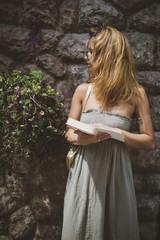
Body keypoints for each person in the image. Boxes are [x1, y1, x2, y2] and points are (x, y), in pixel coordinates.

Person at [61, 26, 155, 240]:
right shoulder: (83, 91)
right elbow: (69, 134)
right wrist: (82, 139)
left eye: (92, 52)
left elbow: (149, 141)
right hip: (85, 173)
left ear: (108, 56)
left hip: (117, 174)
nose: (87, 57)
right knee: (79, 229)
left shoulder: (136, 94)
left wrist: (116, 132)